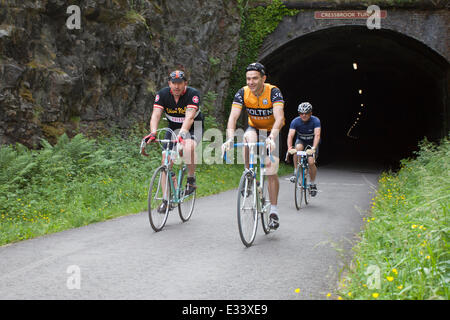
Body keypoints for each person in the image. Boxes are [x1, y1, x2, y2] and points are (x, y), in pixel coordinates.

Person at [222, 62, 285, 230]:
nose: (251, 82)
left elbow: (279, 117)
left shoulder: (273, 92)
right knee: (248, 138)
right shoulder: (243, 92)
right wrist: (229, 139)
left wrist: (272, 137)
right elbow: (233, 118)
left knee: (270, 168)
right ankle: (248, 174)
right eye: (248, 78)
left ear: (263, 78)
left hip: (272, 130)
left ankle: (273, 211)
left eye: (255, 78)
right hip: (255, 127)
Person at [142, 70, 204, 211]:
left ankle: (191, 179)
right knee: (166, 159)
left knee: (188, 148)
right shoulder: (162, 94)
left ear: (185, 84)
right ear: (169, 83)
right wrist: (153, 133)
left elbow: (189, 118)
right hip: (172, 128)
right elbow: (156, 115)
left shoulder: (192, 94)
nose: (176, 87)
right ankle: (166, 200)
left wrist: (182, 135)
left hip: (194, 127)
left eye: (179, 83)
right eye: (173, 83)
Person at [287, 102, 321, 196]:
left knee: (311, 162)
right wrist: (290, 148)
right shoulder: (295, 121)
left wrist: (313, 148)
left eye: (306, 113)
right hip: (301, 141)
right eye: (301, 113)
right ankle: (296, 172)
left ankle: (313, 183)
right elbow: (290, 135)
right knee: (297, 149)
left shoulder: (315, 121)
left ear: (311, 113)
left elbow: (317, 135)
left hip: (311, 143)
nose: (304, 115)